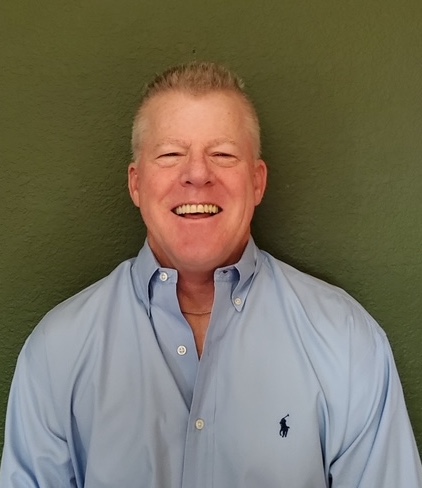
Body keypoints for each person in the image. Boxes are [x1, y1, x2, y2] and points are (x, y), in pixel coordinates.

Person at [0, 61, 421, 488]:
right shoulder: (57, 352)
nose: (198, 174)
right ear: (136, 184)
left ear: (257, 183)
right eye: (170, 155)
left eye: (223, 155)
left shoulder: (346, 341)